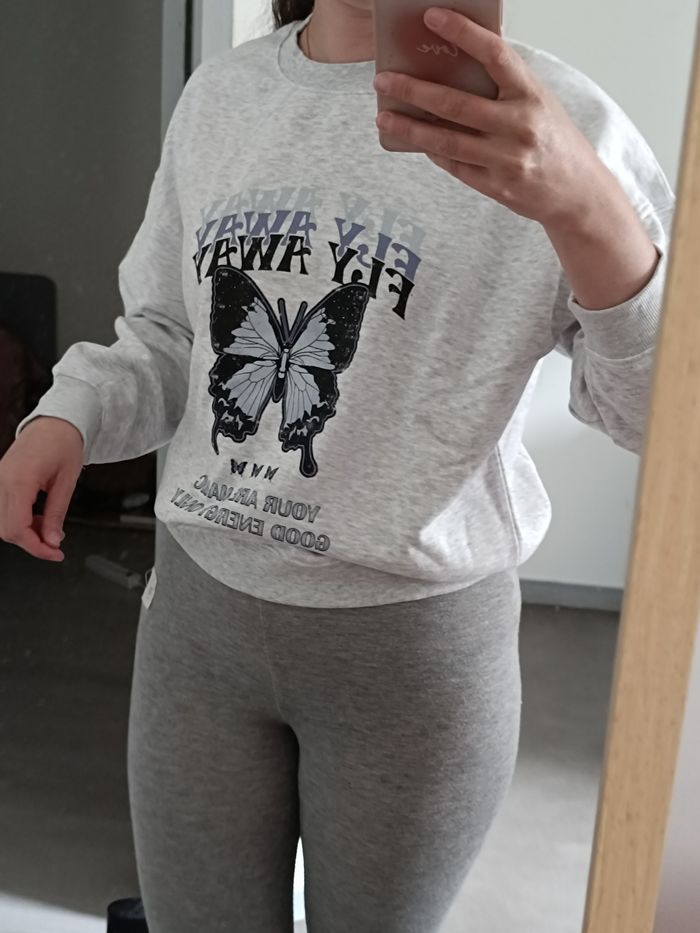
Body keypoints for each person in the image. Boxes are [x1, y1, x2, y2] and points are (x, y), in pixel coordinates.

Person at [0, 1, 676, 931]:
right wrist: (69, 412)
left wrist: (585, 206)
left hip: (413, 660)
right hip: (198, 633)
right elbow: (167, 335)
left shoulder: (562, 122)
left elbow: (660, 422)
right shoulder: (221, 98)